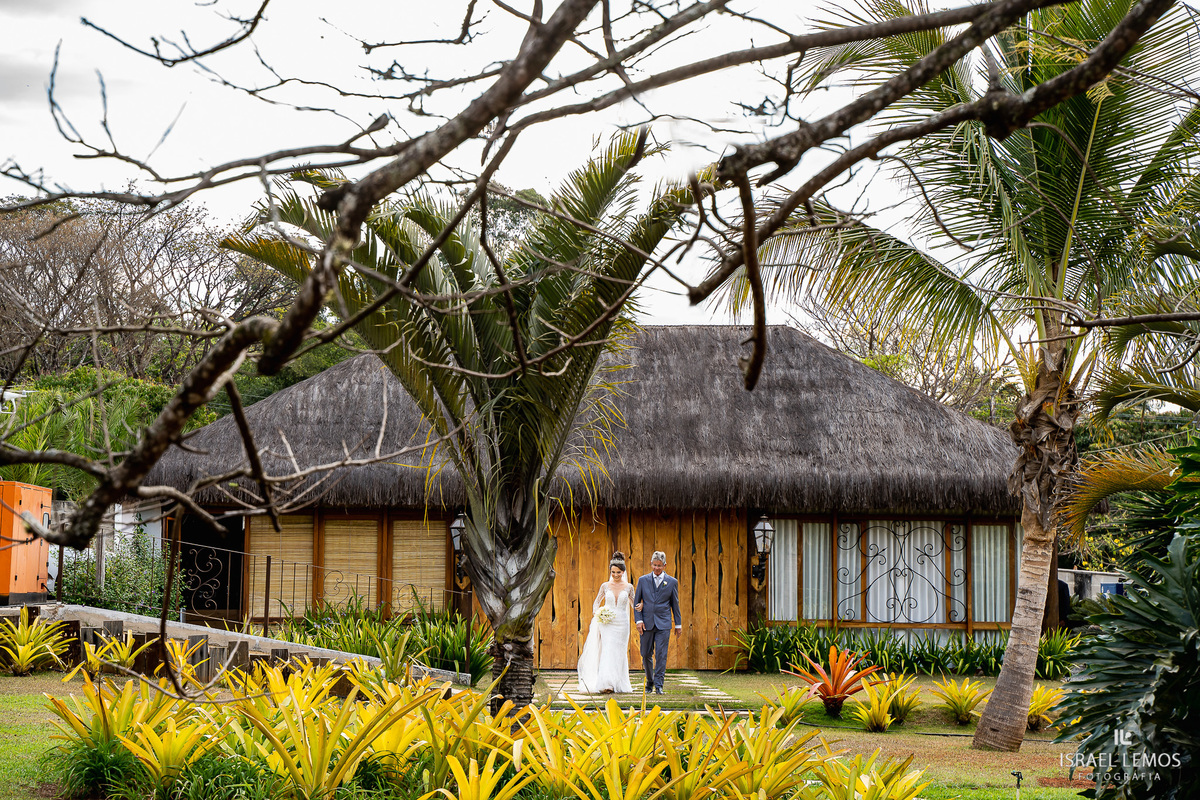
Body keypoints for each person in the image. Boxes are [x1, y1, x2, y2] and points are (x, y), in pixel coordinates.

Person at [576, 551, 634, 694]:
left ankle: (619, 682)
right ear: (610, 571)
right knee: (607, 651)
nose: (615, 575)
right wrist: (598, 614)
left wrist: (640, 607)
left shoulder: (629, 587)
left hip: (622, 624)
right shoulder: (605, 586)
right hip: (607, 623)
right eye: (613, 572)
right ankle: (606, 683)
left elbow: (634, 604)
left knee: (619, 652)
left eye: (618, 572)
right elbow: (596, 603)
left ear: (623, 572)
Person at [633, 550, 682, 694]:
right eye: (654, 565)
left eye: (659, 566)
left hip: (664, 624)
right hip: (647, 623)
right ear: (651, 564)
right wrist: (639, 620)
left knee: (661, 654)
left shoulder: (672, 582)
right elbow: (637, 603)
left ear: (665, 565)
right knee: (646, 653)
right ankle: (650, 681)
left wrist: (678, 624)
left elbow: (675, 604)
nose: (656, 568)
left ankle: (659, 685)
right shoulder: (643, 580)